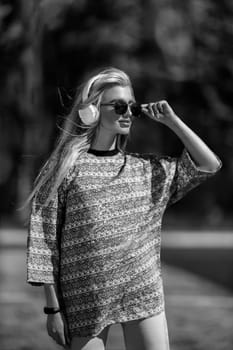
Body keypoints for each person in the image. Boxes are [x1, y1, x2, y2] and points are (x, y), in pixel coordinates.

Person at [26, 67, 221, 350]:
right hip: (84, 296)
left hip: (142, 291)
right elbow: (44, 242)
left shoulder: (146, 170)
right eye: (118, 106)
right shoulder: (64, 170)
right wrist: (52, 311)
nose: (127, 113)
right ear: (91, 110)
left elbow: (209, 165)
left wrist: (173, 122)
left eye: (132, 106)